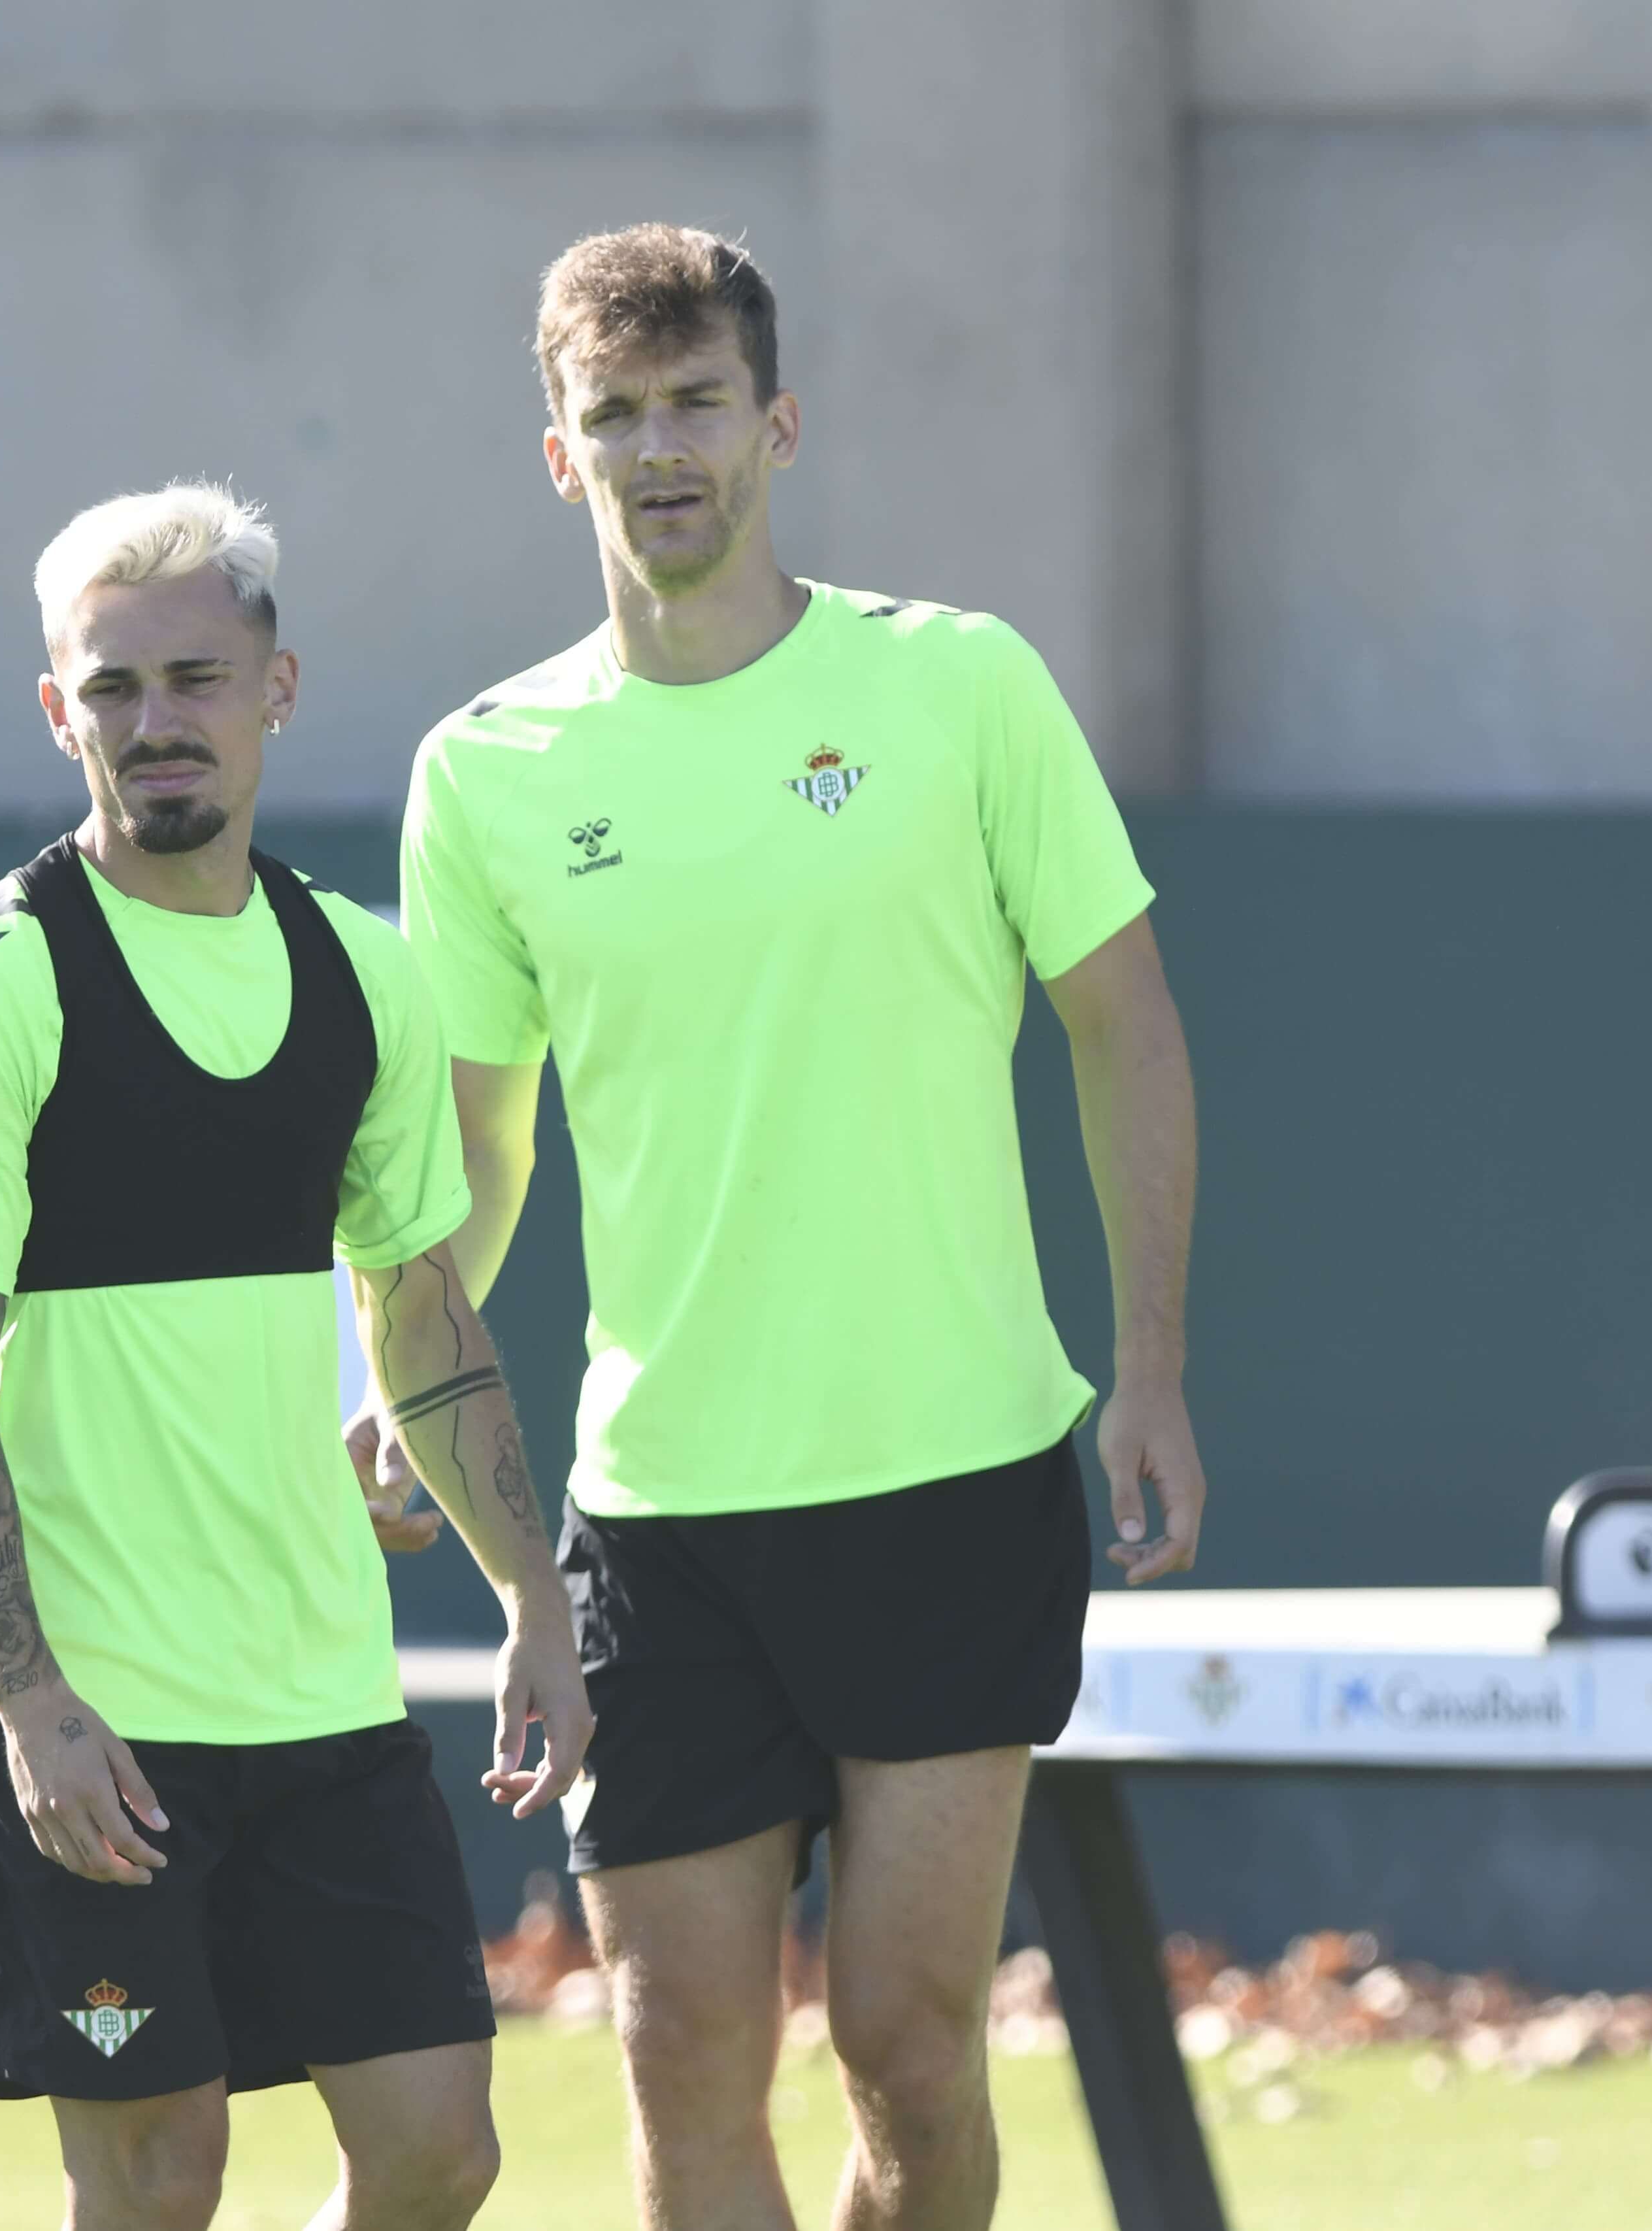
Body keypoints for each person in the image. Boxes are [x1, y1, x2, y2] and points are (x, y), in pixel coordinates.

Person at [362, 226, 1209, 2231]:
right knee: (680, 2062)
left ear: (778, 425)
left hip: (954, 1478)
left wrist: (1150, 1364)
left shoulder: (960, 686)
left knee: (911, 2061)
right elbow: (475, 1169)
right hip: (657, 1524)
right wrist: (415, 1372)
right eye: (616, 417)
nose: (662, 451)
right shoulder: (484, 775)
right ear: (559, 457)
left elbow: (1128, 1029)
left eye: (697, 405)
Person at [0, 482, 592, 2231]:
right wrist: (30, 1698)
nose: (157, 720)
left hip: (321, 1703)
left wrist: (539, 1602)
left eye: (195, 675)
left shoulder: (362, 977)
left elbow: (418, 1309)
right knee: (157, 2181)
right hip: (90, 1719)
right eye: (112, 689)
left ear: (276, 684)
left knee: (438, 2150)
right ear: (60, 712)